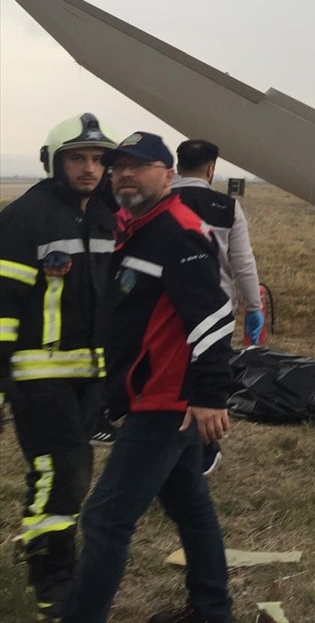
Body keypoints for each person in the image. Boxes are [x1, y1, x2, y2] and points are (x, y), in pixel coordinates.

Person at [61, 132, 235, 623]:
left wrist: (208, 395)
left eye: (138, 166)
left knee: (105, 518)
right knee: (190, 507)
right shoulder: (138, 225)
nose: (125, 175)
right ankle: (212, 609)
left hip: (166, 401)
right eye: (119, 168)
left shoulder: (177, 231)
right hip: (151, 395)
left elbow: (213, 315)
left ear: (166, 173)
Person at [0, 113, 117, 621]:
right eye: (77, 158)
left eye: (98, 159)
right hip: (38, 372)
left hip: (89, 373)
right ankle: (51, 580)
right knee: (62, 470)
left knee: (70, 469)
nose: (90, 169)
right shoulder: (26, 217)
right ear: (53, 162)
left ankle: (55, 563)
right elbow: (3, 303)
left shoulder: (106, 217)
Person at [173, 138, 265, 477]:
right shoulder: (226, 207)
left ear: (177, 164)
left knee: (172, 378)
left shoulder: (161, 200)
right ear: (211, 169)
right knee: (207, 378)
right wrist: (254, 306)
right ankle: (204, 450)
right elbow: (243, 263)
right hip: (215, 311)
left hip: (167, 310)